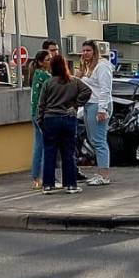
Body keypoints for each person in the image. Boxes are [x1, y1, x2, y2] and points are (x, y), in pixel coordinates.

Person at [37, 54, 92, 195]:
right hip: (68, 118)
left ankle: (48, 185)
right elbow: (87, 91)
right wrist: (76, 105)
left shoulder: (48, 83)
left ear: (52, 67)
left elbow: (41, 104)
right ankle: (71, 185)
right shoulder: (74, 81)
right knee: (69, 153)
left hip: (50, 119)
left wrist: (40, 121)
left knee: (50, 153)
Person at [79, 41, 114, 186]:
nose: (85, 53)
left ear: (94, 51)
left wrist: (102, 109)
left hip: (98, 104)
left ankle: (104, 175)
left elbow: (105, 89)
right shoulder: (87, 67)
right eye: (83, 50)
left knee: (99, 140)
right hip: (89, 104)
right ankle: (100, 172)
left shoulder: (102, 66)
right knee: (93, 140)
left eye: (88, 50)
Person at [28, 50, 53, 189]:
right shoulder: (44, 76)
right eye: (48, 59)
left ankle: (36, 177)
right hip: (43, 114)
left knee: (38, 146)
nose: (50, 61)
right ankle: (45, 177)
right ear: (41, 62)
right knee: (46, 147)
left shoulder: (35, 74)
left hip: (35, 113)